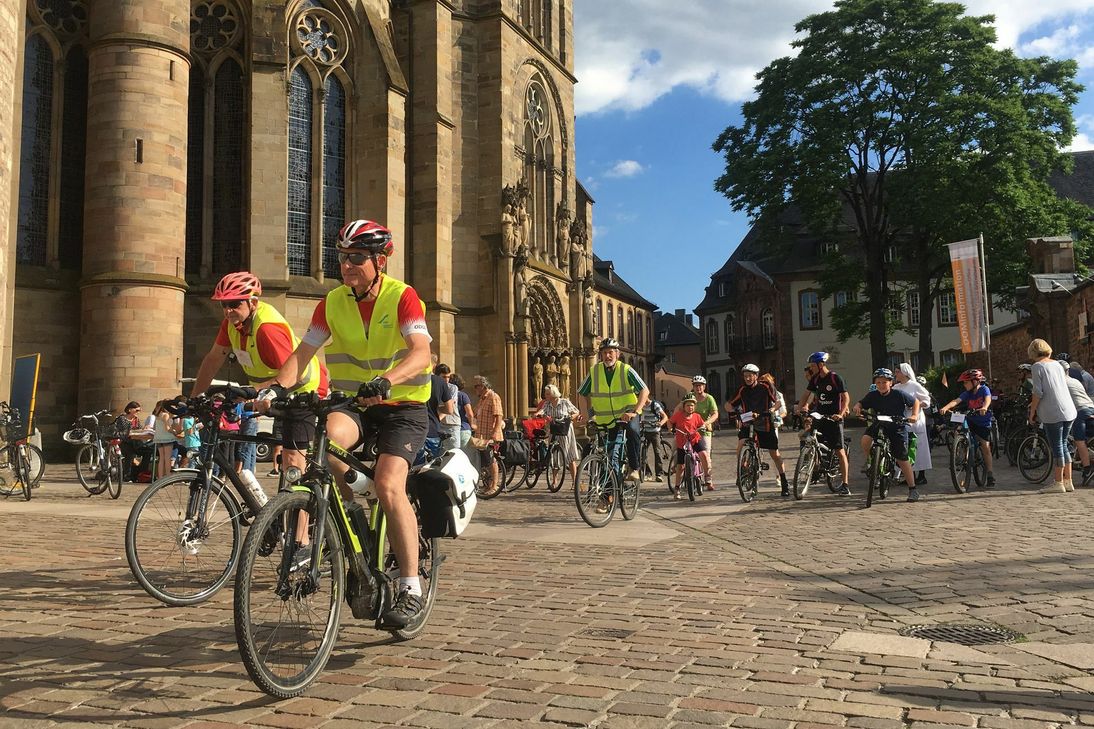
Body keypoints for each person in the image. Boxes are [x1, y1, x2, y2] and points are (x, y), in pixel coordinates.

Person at [266, 219, 433, 628]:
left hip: (402, 406)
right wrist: (274, 389)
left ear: (380, 261)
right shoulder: (331, 302)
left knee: (390, 484)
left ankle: (411, 586)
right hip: (354, 404)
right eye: (341, 258)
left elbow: (421, 352)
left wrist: (387, 380)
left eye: (356, 258)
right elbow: (302, 354)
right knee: (325, 447)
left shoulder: (403, 296)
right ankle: (354, 512)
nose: (346, 266)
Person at [191, 270, 328, 482]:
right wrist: (194, 399)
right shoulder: (231, 325)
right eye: (224, 305)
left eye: (234, 304)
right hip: (271, 391)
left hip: (303, 388)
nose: (228, 310)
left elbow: (291, 375)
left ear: (253, 303)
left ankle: (301, 502)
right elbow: (212, 360)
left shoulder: (267, 329)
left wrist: (251, 392)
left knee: (292, 462)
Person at [576, 337, 650, 485]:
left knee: (632, 431)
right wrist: (584, 414)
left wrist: (635, 411)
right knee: (608, 456)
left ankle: (634, 468)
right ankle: (608, 494)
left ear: (617, 354)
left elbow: (644, 390)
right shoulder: (595, 371)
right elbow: (581, 393)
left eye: (610, 352)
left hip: (627, 415)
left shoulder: (626, 370)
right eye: (604, 353)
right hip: (606, 420)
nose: (607, 356)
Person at [853, 367, 922, 502]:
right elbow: (861, 403)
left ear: (891, 383)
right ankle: (871, 462)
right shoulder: (873, 395)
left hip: (897, 426)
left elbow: (915, 402)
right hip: (879, 424)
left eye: (884, 382)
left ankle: (912, 489)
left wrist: (914, 415)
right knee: (865, 439)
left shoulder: (898, 394)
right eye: (878, 382)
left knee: (902, 458)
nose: (881, 385)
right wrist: (857, 407)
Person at [725, 363, 789, 496]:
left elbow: (778, 402)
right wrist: (733, 412)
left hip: (764, 423)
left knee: (774, 454)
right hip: (748, 422)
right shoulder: (742, 389)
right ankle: (743, 469)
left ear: (756, 376)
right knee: (741, 444)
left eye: (750, 376)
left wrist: (772, 410)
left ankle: (784, 482)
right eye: (745, 376)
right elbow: (728, 405)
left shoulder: (765, 386)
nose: (747, 378)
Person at [795, 352, 851, 496]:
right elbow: (806, 394)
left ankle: (845, 485)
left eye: (813, 366)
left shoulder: (835, 378)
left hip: (833, 418)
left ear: (821, 365)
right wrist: (799, 409)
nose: (811, 368)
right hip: (819, 416)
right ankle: (813, 468)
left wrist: (841, 413)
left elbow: (846, 397)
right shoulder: (815, 379)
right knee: (810, 440)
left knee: (839, 451)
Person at [1026, 339, 1077, 494]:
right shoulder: (1057, 364)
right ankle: (1068, 481)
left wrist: (1032, 411)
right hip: (1068, 409)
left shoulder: (1037, 366)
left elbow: (1038, 392)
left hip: (1052, 411)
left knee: (1057, 446)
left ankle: (1058, 482)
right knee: (1064, 444)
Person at [938, 368, 996, 489]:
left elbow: (988, 398)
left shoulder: (984, 389)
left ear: (975, 381)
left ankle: (990, 474)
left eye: (966, 382)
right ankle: (962, 452)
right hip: (971, 420)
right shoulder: (967, 393)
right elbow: (956, 400)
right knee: (960, 430)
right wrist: (946, 407)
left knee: (985, 446)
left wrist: (984, 407)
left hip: (983, 422)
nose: (964, 384)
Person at [894, 363, 932, 485]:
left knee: (918, 448)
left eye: (897, 372)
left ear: (904, 372)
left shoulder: (915, 386)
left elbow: (926, 401)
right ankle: (910, 476)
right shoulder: (896, 387)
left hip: (916, 421)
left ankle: (922, 475)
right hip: (902, 420)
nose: (895, 374)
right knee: (906, 448)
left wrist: (914, 405)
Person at [534, 384, 580, 483]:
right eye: (546, 394)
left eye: (548, 394)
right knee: (554, 455)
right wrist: (538, 414)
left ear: (553, 394)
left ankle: (574, 481)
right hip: (554, 429)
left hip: (565, 430)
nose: (546, 395)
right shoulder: (547, 403)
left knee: (570, 456)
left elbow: (576, 411)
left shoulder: (564, 402)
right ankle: (554, 481)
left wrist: (570, 418)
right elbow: (543, 410)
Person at [668, 394, 709, 500]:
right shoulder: (678, 415)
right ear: (683, 406)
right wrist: (670, 428)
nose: (690, 407)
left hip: (695, 439)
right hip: (682, 442)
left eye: (692, 405)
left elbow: (702, 424)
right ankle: (677, 488)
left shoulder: (696, 416)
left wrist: (704, 427)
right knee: (680, 467)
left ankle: (707, 476)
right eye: (688, 405)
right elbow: (670, 422)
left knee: (703, 454)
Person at [1061, 359, 1094, 481]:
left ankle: (1087, 469)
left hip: (1080, 410)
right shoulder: (1075, 381)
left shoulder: (1061, 382)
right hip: (1091, 407)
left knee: (1079, 439)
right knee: (1085, 438)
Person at [472, 375, 504, 492]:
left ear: (483, 386)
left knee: (491, 460)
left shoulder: (493, 397)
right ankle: (488, 484)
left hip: (490, 434)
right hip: (481, 435)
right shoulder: (482, 399)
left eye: (476, 386)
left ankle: (494, 486)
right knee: (485, 460)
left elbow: (498, 415)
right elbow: (474, 413)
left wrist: (495, 431)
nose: (475, 389)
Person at [689, 375, 719, 478]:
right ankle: (677, 467)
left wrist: (706, 423)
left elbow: (715, 414)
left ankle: (708, 478)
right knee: (680, 449)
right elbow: (679, 408)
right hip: (691, 429)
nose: (698, 387)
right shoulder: (690, 396)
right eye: (696, 385)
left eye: (700, 385)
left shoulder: (709, 398)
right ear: (693, 387)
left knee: (706, 455)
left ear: (704, 386)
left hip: (704, 430)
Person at [639, 397, 670, 482]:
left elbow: (665, 417)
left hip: (655, 432)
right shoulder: (641, 405)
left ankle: (659, 474)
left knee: (657, 452)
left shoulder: (654, 405)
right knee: (642, 453)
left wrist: (660, 423)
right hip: (645, 431)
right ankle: (647, 473)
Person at [450, 373, 475, 448]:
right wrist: (472, 424)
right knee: (465, 453)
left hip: (450, 429)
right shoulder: (463, 395)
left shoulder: (446, 396)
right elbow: (469, 413)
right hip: (463, 428)